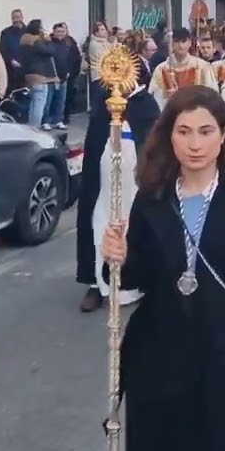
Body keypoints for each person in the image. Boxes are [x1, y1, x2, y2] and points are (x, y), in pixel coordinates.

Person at [100, 85, 225, 451]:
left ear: (224, 135)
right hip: (159, 362)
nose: (195, 144)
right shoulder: (152, 198)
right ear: (169, 136)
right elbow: (134, 277)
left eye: (206, 131)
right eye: (183, 131)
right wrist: (117, 257)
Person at [76, 36, 159, 313]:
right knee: (98, 223)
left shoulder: (145, 103)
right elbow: (94, 140)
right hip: (103, 184)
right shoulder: (103, 102)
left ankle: (138, 281)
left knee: (134, 227)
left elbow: (153, 142)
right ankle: (95, 283)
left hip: (134, 184)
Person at [149, 27, 217, 104]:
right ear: (171, 44)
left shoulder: (202, 67)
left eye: (184, 41)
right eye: (176, 41)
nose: (180, 45)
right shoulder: (161, 69)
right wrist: (166, 96)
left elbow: (212, 94)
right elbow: (154, 97)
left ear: (190, 43)